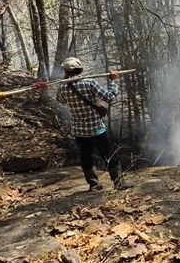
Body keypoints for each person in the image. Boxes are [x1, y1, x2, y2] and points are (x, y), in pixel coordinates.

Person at [56, 57, 132, 191]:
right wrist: (113, 81)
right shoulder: (89, 82)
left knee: (86, 157)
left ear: (66, 72)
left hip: (79, 131)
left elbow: (60, 100)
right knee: (108, 155)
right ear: (81, 70)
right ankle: (119, 182)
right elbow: (108, 96)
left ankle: (94, 184)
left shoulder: (62, 87)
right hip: (96, 129)